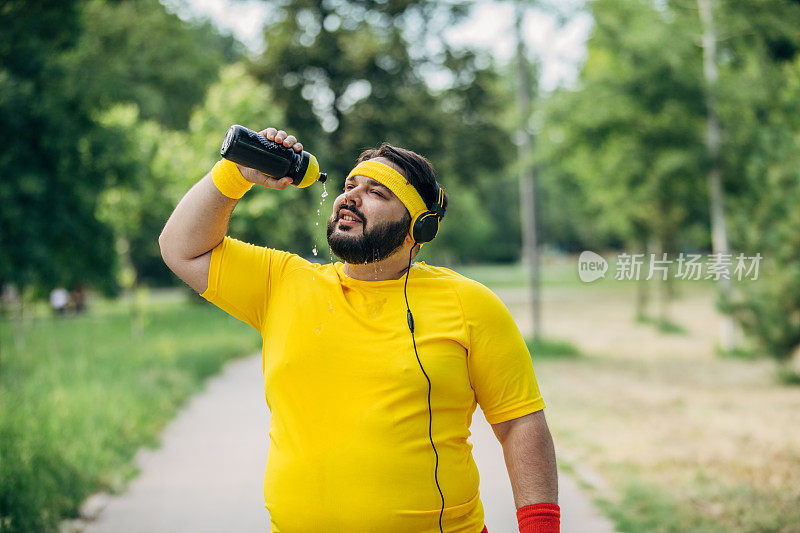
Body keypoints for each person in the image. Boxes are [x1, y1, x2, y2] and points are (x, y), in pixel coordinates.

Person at [158, 127, 559, 533]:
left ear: (417, 228)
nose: (349, 196)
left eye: (377, 192)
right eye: (350, 185)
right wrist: (236, 174)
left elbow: (520, 423)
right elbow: (180, 248)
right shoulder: (283, 282)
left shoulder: (468, 303)